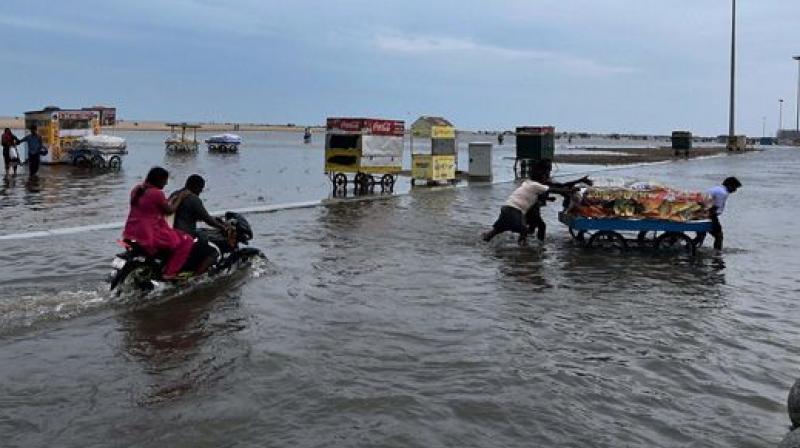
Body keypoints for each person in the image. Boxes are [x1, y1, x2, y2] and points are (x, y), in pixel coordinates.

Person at [122, 167, 195, 279]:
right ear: (158, 179)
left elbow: (149, 207)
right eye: (165, 180)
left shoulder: (136, 189)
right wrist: (180, 198)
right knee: (187, 241)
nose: (166, 183)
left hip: (130, 231)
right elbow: (170, 210)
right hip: (149, 233)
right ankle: (170, 273)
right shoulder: (157, 193)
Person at [482, 171, 574, 245]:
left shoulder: (527, 183)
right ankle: (523, 252)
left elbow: (531, 196)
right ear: (541, 178)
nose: (547, 179)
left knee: (497, 230)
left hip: (507, 208)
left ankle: (481, 245)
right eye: (545, 177)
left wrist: (548, 198)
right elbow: (552, 189)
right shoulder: (535, 185)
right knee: (524, 230)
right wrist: (569, 191)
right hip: (515, 210)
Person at [169, 174, 230, 275]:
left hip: (171, 233)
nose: (201, 191)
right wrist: (222, 227)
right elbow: (207, 219)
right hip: (185, 235)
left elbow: (187, 214)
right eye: (200, 189)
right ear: (195, 186)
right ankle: (198, 277)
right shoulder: (193, 199)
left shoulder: (175, 194)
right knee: (213, 252)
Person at [704, 176, 742, 250]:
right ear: (729, 185)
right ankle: (717, 253)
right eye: (734, 188)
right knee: (719, 235)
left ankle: (690, 247)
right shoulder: (722, 193)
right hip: (709, 214)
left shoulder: (717, 189)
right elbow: (715, 207)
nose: (735, 190)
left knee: (701, 234)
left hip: (704, 211)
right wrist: (713, 221)